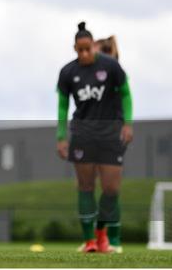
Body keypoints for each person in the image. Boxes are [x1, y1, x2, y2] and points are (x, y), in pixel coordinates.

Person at [56, 22, 133, 254]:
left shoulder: (111, 66)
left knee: (110, 189)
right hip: (83, 135)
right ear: (75, 48)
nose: (85, 54)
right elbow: (62, 106)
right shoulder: (68, 72)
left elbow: (127, 94)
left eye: (88, 49)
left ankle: (104, 236)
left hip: (110, 135)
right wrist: (61, 136)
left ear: (93, 46)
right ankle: (90, 241)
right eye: (80, 50)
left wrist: (128, 124)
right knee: (85, 187)